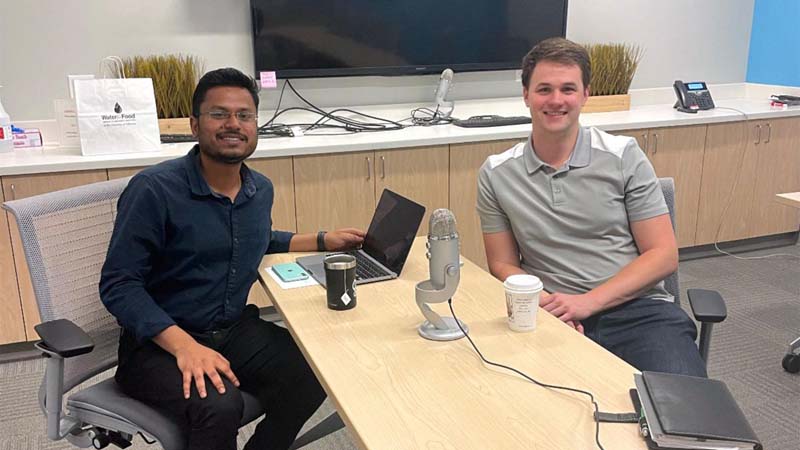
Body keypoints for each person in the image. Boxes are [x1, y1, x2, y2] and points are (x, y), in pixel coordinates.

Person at [100, 67, 365, 450]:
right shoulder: (154, 190)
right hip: (159, 345)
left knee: (314, 370)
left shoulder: (259, 190)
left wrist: (323, 239)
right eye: (219, 114)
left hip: (230, 329)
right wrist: (185, 347)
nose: (233, 124)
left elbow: (255, 240)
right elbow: (119, 285)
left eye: (244, 115)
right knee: (220, 405)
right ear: (194, 124)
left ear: (256, 125)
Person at [476, 38, 707, 377]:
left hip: (638, 312)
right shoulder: (497, 174)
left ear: (585, 95)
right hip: (550, 314)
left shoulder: (623, 156)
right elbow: (502, 263)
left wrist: (587, 302)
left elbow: (662, 254)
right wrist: (542, 304)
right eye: (544, 89)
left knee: (687, 412)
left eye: (568, 89)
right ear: (526, 95)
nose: (556, 100)